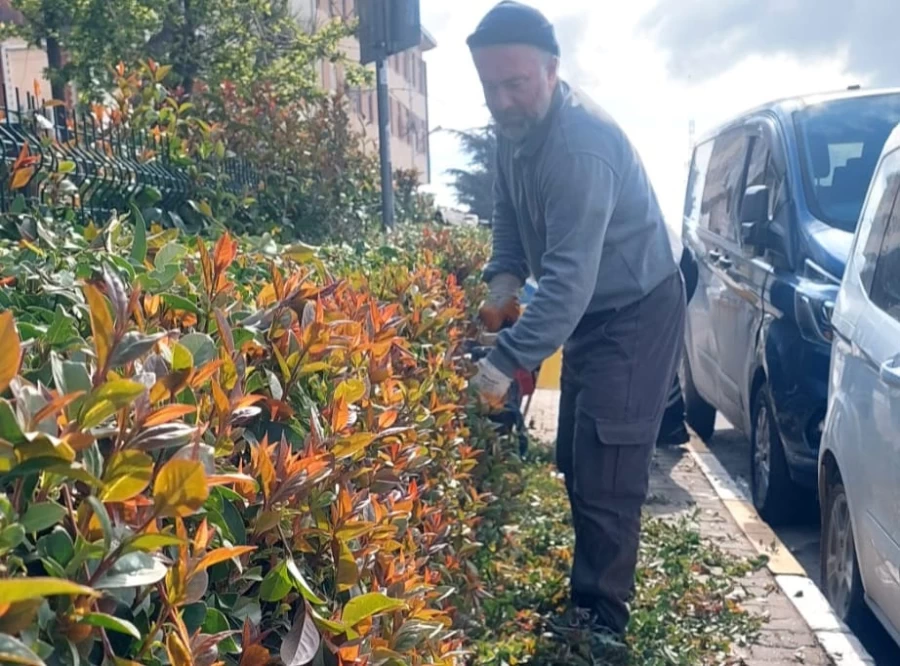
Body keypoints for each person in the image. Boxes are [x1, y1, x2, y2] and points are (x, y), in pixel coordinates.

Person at [467, 0, 686, 648]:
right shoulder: (516, 132)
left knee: (608, 467)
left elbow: (565, 289)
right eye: (490, 86)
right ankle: (587, 597)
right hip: (594, 310)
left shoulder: (580, 147)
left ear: (552, 70)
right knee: (577, 456)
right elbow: (507, 211)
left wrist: (499, 365)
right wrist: (503, 281)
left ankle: (601, 629)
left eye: (516, 83)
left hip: (636, 308)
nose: (503, 100)